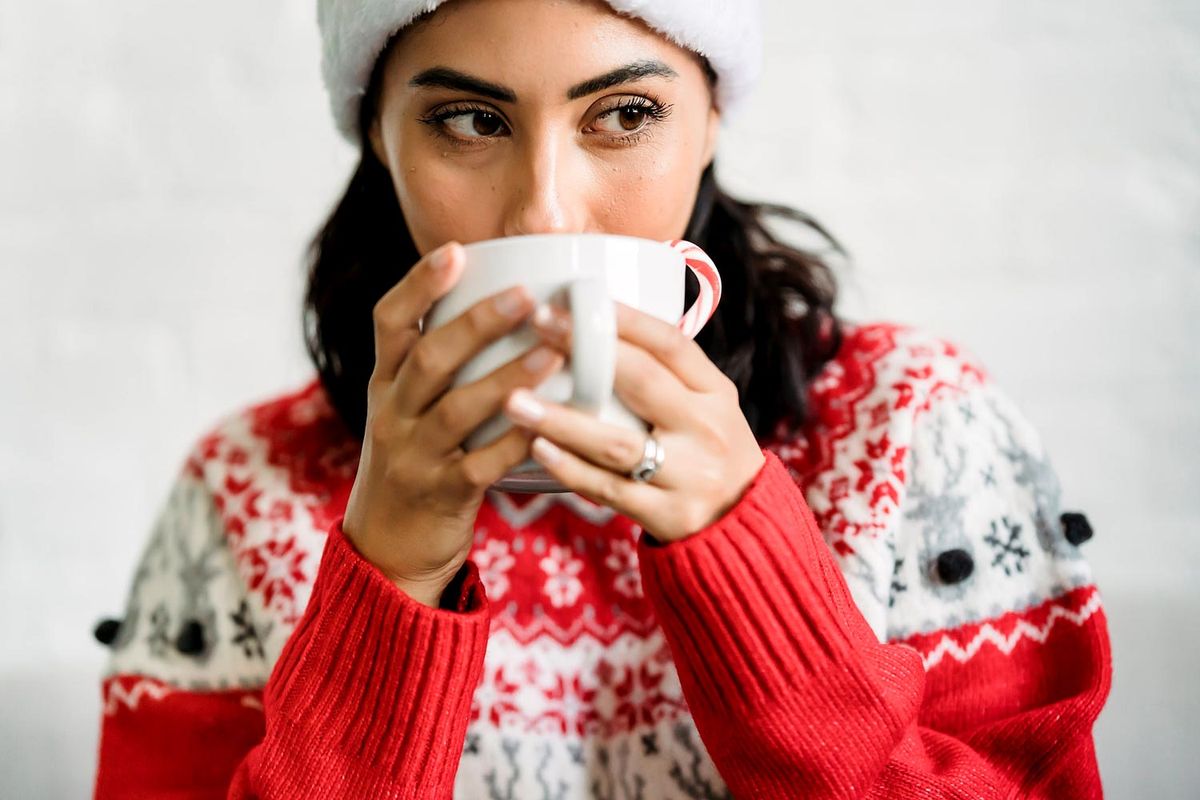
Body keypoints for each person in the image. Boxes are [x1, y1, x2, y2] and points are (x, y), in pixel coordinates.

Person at [91, 0, 1112, 797]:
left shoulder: (913, 429)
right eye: (467, 120)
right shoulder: (245, 488)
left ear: (712, 115)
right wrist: (390, 577)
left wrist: (751, 565)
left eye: (624, 114)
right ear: (377, 136)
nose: (546, 206)